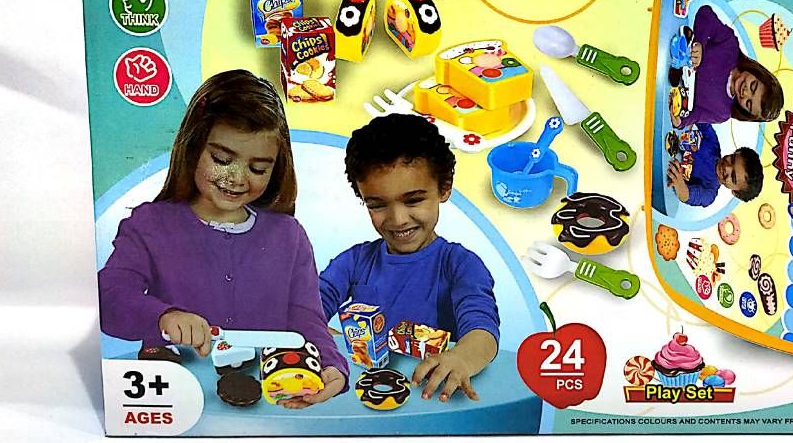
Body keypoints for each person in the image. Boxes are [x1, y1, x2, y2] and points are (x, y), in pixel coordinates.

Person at [97, 70, 348, 408]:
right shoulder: (149, 224)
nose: (237, 178)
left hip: (270, 398)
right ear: (194, 148)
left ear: (276, 167)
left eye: (258, 168)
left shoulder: (289, 236)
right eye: (222, 160)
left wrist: (331, 364)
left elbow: (306, 318)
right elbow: (109, 296)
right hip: (176, 399)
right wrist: (164, 316)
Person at [319, 114, 500, 402]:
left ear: (444, 187)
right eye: (377, 205)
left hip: (430, 397)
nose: (398, 219)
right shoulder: (353, 261)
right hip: (361, 396)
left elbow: (483, 330)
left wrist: (462, 358)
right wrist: (323, 336)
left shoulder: (461, 265)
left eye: (413, 200)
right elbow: (309, 307)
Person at [673, 4, 784, 127]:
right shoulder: (730, 46)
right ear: (756, 72)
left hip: (671, 88)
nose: (745, 93)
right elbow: (705, 14)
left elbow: (694, 115)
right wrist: (699, 43)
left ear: (746, 112)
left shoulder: (722, 113)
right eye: (753, 86)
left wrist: (680, 122)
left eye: (748, 103)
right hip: (672, 50)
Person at [665, 124, 764, 207]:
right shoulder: (713, 144)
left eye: (732, 177)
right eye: (732, 160)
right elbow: (701, 118)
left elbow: (686, 196)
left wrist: (679, 182)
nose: (727, 167)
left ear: (735, 192)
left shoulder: (709, 192)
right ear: (735, 152)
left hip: (666, 168)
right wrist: (689, 122)